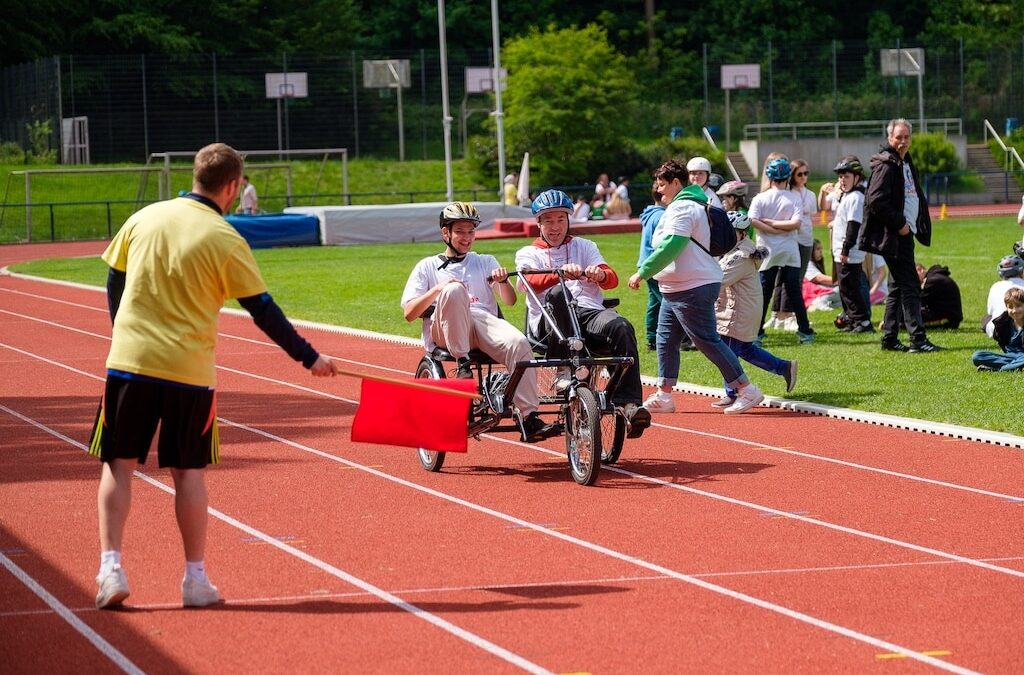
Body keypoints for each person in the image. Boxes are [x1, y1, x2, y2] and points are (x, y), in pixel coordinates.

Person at [90, 143, 340, 611]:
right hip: (189, 372)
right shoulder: (225, 238)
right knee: (188, 473)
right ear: (233, 186)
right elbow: (263, 311)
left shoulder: (145, 218)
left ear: (195, 174)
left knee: (118, 465)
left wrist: (121, 333)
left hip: (129, 362)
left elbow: (114, 280)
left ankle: (110, 569)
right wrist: (309, 358)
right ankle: (194, 580)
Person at [401, 201, 557, 443]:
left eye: (471, 231)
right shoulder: (427, 266)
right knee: (453, 291)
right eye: (460, 231)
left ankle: (528, 418)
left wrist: (503, 282)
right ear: (446, 233)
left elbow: (510, 301)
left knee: (520, 343)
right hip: (446, 327)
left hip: (482, 322)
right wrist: (439, 289)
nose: (466, 237)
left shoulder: (484, 260)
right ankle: (463, 366)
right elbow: (409, 313)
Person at [628, 159, 764, 415]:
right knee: (665, 339)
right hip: (677, 287)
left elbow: (673, 245)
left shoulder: (683, 208)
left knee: (706, 340)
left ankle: (746, 389)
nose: (659, 191)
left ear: (676, 183)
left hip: (693, 286)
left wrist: (643, 272)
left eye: (662, 185)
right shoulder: (685, 205)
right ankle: (664, 394)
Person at [515, 189, 651, 437]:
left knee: (621, 326)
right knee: (559, 293)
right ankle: (563, 373)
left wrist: (600, 274)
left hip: (588, 314)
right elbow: (526, 283)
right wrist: (559, 274)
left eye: (560, 220)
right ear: (538, 223)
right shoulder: (528, 253)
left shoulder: (585, 246)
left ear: (568, 220)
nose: (555, 227)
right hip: (550, 324)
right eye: (548, 221)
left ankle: (629, 404)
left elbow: (611, 278)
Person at [859, 118, 941, 353]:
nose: (903, 141)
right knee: (910, 285)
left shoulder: (904, 162)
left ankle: (889, 338)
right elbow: (875, 200)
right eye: (898, 137)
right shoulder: (886, 164)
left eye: (906, 137)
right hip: (895, 235)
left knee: (896, 286)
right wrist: (901, 224)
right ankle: (918, 339)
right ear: (889, 138)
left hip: (904, 233)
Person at [712, 210, 798, 406]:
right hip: (735, 309)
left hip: (740, 311)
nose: (725, 235)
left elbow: (718, 281)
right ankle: (784, 368)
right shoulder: (733, 251)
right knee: (743, 349)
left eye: (730, 231)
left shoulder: (740, 256)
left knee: (728, 352)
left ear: (742, 233)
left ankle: (737, 392)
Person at [749, 157, 816, 345]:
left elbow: (752, 220)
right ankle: (805, 331)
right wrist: (780, 228)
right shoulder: (794, 197)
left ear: (769, 177)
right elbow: (795, 224)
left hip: (766, 250)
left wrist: (769, 226)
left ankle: (756, 332)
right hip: (789, 250)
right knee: (794, 291)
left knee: (764, 292)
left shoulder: (760, 198)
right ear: (788, 177)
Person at [769, 159, 817, 328]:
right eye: (799, 174)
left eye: (806, 173)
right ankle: (778, 314)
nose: (803, 177)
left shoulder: (810, 194)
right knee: (781, 279)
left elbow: (812, 214)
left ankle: (788, 315)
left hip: (804, 239)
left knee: (796, 279)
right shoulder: (788, 193)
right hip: (788, 239)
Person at [829, 156, 873, 333]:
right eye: (840, 177)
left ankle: (862, 321)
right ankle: (853, 319)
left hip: (849, 252)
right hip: (843, 250)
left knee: (850, 289)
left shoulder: (855, 197)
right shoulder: (848, 195)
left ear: (856, 177)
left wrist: (846, 249)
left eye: (846, 176)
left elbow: (853, 225)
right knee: (846, 288)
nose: (842, 180)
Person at [637, 188, 667, 351]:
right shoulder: (662, 215)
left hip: (645, 263)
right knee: (667, 302)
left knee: (655, 302)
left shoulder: (650, 213)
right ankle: (680, 337)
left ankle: (652, 338)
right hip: (654, 264)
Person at [973, 286, 1024, 372]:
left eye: (1018, 306)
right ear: (1006, 308)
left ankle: (998, 369)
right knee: (977, 356)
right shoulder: (1004, 322)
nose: (1014, 310)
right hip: (1009, 357)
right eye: (1010, 307)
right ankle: (1015, 367)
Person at [983, 254, 1024, 337]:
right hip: (1019, 327)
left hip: (999, 331)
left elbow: (990, 312)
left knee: (986, 319)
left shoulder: (996, 286)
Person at [917, 262, 963, 329]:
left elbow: (918, 301)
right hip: (947, 316)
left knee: (910, 318)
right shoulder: (936, 277)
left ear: (919, 270)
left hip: (947, 320)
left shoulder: (932, 281)